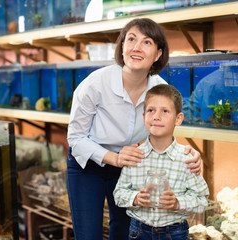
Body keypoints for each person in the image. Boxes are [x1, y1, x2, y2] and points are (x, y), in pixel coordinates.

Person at [67, 18, 202, 240]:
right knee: (88, 234)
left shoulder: (160, 90)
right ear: (122, 47)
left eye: (147, 42)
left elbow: (162, 131)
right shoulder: (95, 84)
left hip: (130, 166)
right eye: (131, 39)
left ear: (158, 54)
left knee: (124, 232)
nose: (137, 47)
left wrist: (188, 153)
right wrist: (114, 157)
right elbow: (76, 137)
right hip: (87, 165)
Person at [113, 84, 209, 239]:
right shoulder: (135, 156)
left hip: (175, 232)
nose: (156, 116)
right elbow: (118, 194)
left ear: (178, 119)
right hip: (139, 230)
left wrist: (178, 203)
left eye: (165, 111)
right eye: (151, 110)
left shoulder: (186, 159)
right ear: (144, 116)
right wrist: (136, 198)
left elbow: (201, 200)